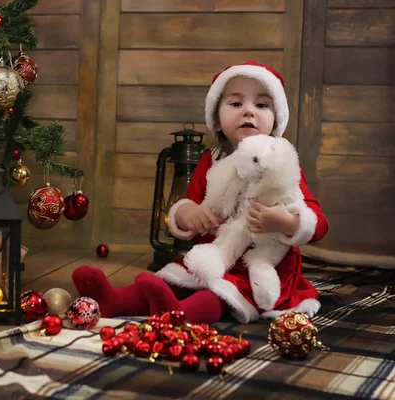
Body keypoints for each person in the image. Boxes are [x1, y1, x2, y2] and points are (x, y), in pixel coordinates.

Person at [72, 61, 329, 324]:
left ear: (276, 120)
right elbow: (190, 204)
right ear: (216, 120)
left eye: (261, 105)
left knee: (219, 294)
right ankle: (115, 300)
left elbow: (318, 222)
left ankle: (179, 316)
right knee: (175, 277)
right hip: (215, 255)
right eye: (236, 103)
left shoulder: (281, 163)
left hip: (263, 267)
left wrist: (286, 221)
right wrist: (187, 214)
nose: (249, 111)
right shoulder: (212, 160)